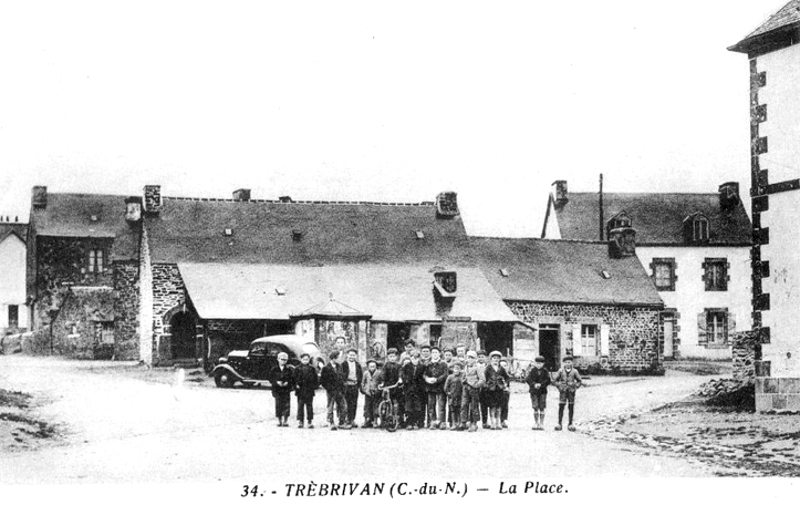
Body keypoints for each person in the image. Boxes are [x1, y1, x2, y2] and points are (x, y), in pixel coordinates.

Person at [320, 350, 350, 430]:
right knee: (330, 407)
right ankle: (331, 422)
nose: (340, 359)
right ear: (333, 358)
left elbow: (342, 378)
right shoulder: (326, 368)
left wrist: (343, 387)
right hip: (331, 391)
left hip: (339, 390)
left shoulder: (339, 366)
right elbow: (323, 381)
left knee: (343, 406)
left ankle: (342, 422)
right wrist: (329, 388)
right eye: (338, 358)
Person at [553, 356, 582, 431]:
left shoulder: (575, 371)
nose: (567, 364)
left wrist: (575, 387)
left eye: (569, 362)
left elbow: (579, 381)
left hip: (571, 391)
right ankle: (559, 423)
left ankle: (570, 423)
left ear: (572, 363)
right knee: (561, 406)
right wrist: (559, 386)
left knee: (571, 406)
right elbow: (555, 381)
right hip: (563, 391)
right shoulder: (560, 371)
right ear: (563, 363)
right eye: (566, 362)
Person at [459, 350, 486, 432]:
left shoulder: (478, 368)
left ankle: (473, 422)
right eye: (468, 357)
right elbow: (463, 376)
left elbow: (482, 379)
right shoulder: (465, 367)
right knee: (464, 404)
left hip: (474, 389)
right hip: (466, 388)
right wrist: (463, 381)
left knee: (474, 406)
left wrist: (476, 385)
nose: (470, 359)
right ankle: (464, 421)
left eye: (472, 358)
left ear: (475, 359)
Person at [423, 347, 449, 430]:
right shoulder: (428, 363)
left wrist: (437, 380)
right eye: (433, 352)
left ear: (439, 354)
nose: (434, 354)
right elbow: (424, 374)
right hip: (430, 387)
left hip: (440, 387)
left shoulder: (443, 363)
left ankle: (442, 422)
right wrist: (427, 379)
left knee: (441, 405)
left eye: (436, 352)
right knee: (431, 405)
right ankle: (432, 422)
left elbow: (445, 374)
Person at [376, 348, 403, 427]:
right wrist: (382, 382)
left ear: (396, 357)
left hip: (396, 385)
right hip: (388, 385)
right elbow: (383, 374)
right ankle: (383, 418)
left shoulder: (398, 365)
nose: (392, 358)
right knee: (385, 400)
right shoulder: (386, 365)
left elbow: (400, 372)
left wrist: (400, 378)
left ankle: (398, 419)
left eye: (394, 356)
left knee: (396, 402)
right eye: (390, 357)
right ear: (388, 357)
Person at [484, 350, 510, 430]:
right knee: (492, 406)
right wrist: (487, 385)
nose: (496, 360)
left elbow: (507, 377)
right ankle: (493, 422)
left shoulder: (501, 369)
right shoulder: (488, 368)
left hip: (499, 390)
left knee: (499, 406)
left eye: (497, 358)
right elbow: (484, 378)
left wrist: (504, 385)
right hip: (491, 390)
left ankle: (498, 422)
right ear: (491, 359)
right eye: (494, 358)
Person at [525, 356, 551, 431]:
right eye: (537, 363)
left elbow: (548, 380)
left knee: (542, 406)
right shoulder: (532, 370)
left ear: (543, 364)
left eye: (540, 363)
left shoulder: (545, 371)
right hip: (534, 391)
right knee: (535, 406)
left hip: (542, 391)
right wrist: (534, 384)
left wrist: (541, 384)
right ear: (535, 363)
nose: (538, 365)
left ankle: (542, 423)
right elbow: (528, 379)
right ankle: (536, 422)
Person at [401, 351, 426, 429]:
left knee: (417, 406)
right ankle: (409, 422)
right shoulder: (406, 366)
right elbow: (402, 375)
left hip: (418, 389)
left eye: (416, 358)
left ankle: (416, 422)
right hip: (409, 389)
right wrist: (406, 380)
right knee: (408, 406)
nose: (414, 360)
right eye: (413, 358)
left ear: (419, 358)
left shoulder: (422, 366)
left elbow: (424, 376)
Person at [270, 352, 295, 427]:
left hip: (286, 390)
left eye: (285, 360)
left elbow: (292, 379)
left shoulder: (289, 369)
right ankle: (279, 419)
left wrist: (287, 383)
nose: (283, 361)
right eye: (282, 359)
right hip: (277, 389)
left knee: (286, 404)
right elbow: (270, 378)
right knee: (278, 404)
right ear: (278, 359)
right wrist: (276, 382)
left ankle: (285, 420)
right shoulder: (274, 369)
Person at [294, 353, 319, 429]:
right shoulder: (297, 368)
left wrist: (314, 386)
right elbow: (294, 378)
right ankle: (300, 421)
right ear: (301, 359)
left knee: (309, 406)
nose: (305, 361)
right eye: (304, 359)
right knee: (300, 406)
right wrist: (296, 385)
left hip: (309, 390)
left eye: (307, 359)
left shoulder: (312, 368)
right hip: (300, 390)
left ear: (309, 360)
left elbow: (316, 379)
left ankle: (309, 421)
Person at [342, 349, 363, 428]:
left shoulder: (357, 365)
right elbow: (341, 375)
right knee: (346, 403)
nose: (352, 357)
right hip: (347, 385)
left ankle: (352, 419)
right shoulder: (344, 364)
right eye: (350, 355)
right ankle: (347, 419)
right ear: (347, 355)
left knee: (354, 403)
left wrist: (358, 384)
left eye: (353, 355)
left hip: (354, 385)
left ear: (356, 356)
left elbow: (360, 375)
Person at [445, 361, 464, 431]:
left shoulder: (462, 377)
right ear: (453, 369)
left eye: (458, 369)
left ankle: (459, 423)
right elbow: (446, 387)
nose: (457, 370)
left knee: (459, 410)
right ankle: (453, 423)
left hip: (460, 396)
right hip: (452, 396)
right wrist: (448, 393)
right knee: (452, 410)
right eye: (455, 369)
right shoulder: (450, 377)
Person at [361, 359, 380, 428]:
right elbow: (363, 383)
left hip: (376, 392)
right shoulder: (365, 373)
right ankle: (367, 420)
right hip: (368, 392)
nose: (372, 368)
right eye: (371, 366)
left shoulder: (378, 373)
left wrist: (378, 389)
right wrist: (364, 390)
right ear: (368, 367)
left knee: (375, 406)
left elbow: (380, 382)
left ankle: (375, 421)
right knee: (367, 406)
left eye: (373, 366)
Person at [477, 350, 489, 428]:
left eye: (482, 357)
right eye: (479, 357)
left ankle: (485, 422)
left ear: (486, 358)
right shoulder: (475, 366)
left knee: (484, 405)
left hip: (485, 389)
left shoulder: (488, 366)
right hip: (476, 387)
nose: (481, 359)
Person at [499, 357, 511, 429]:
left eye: (505, 366)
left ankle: (504, 419)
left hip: (505, 392)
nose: (503, 368)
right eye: (501, 366)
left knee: (505, 405)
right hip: (498, 391)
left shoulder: (507, 376)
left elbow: (508, 383)